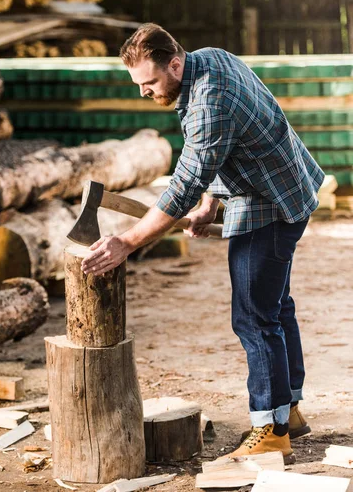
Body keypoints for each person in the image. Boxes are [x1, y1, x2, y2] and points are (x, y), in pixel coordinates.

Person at [81, 23, 324, 464]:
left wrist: (128, 242)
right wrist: (212, 201)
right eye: (139, 85)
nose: (144, 93)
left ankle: (271, 429)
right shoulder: (208, 58)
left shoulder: (208, 100)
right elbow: (221, 147)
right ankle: (290, 410)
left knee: (254, 316)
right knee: (275, 306)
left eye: (150, 82)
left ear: (174, 63)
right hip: (284, 186)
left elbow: (185, 181)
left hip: (269, 205)